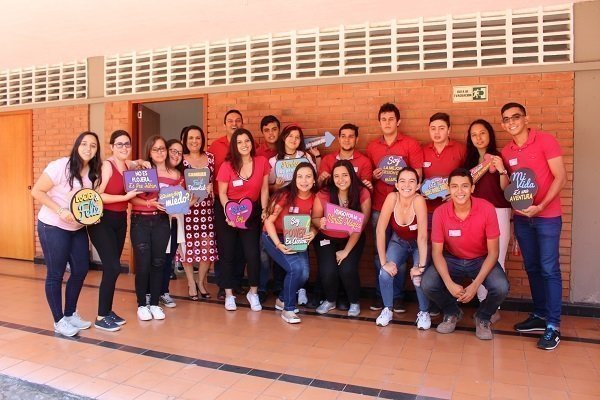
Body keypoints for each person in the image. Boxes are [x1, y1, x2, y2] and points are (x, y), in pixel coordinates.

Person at [500, 102, 567, 350]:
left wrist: (541, 206)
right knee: (532, 267)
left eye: (515, 117)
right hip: (523, 218)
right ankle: (540, 315)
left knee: (549, 268)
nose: (511, 122)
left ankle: (553, 326)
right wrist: (500, 171)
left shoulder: (545, 141)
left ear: (526, 118)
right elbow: (509, 188)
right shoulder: (507, 151)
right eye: (506, 119)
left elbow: (561, 177)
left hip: (547, 216)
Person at [421, 168, 509, 340]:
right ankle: (452, 312)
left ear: (472, 189)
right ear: (448, 189)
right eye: (454, 186)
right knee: (428, 283)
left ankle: (483, 317)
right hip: (452, 258)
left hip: (481, 258)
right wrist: (449, 283)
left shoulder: (487, 209)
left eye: (464, 186)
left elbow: (493, 253)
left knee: (501, 287)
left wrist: (476, 285)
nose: (459, 191)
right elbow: (437, 253)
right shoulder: (440, 212)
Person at [31, 131, 103, 337]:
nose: (88, 148)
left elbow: (87, 201)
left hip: (76, 228)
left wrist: (92, 216)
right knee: (56, 273)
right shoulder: (60, 166)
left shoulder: (93, 172)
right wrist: (60, 210)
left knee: (80, 270)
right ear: (77, 145)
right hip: (53, 226)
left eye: (93, 145)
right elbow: (37, 191)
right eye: (84, 144)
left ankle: (70, 314)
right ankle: (59, 320)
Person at [366, 103, 423, 312]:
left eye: (391, 119)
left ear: (398, 121)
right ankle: (382, 295)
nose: (387, 123)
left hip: (405, 209)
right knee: (379, 251)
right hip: (380, 207)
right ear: (379, 122)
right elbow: (368, 176)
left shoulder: (411, 144)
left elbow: (418, 174)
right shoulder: (372, 146)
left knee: (399, 252)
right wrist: (373, 175)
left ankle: (397, 296)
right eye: (384, 119)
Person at [87, 130, 140, 331]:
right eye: (119, 144)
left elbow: (135, 162)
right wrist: (126, 198)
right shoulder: (106, 166)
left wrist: (141, 162)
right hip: (102, 221)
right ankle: (101, 317)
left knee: (112, 268)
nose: (124, 147)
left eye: (127, 144)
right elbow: (97, 196)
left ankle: (107, 311)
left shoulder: (127, 165)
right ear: (111, 146)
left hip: (119, 220)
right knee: (113, 267)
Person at [216, 128, 270, 311]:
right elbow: (222, 193)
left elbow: (264, 189)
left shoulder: (261, 162)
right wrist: (229, 214)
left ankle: (253, 293)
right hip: (229, 212)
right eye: (239, 142)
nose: (244, 145)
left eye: (247, 140)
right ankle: (229, 294)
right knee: (228, 255)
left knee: (253, 254)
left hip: (251, 213)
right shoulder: (227, 166)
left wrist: (264, 210)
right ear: (234, 145)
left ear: (252, 143)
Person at [130, 136, 182, 321]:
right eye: (155, 149)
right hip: (140, 222)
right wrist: (149, 202)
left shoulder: (175, 175)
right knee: (143, 264)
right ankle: (141, 304)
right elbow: (131, 198)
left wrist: (198, 195)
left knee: (159, 263)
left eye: (162, 148)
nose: (160, 152)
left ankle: (154, 304)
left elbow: (180, 202)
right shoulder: (142, 170)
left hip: (162, 222)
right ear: (149, 152)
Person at [464, 119, 511, 322]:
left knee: (496, 258)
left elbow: (506, 189)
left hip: (499, 212)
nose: (478, 138)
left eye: (482, 133)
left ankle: (493, 307)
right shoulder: (468, 163)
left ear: (490, 135)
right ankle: (484, 302)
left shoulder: (500, 157)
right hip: (473, 214)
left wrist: (501, 169)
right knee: (477, 258)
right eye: (474, 135)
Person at [311, 160, 371, 317]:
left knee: (347, 269)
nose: (341, 179)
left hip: (352, 239)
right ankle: (330, 300)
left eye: (345, 175)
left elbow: (360, 227)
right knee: (328, 271)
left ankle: (354, 302)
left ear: (351, 175)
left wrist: (345, 251)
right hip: (327, 237)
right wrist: (320, 222)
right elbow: (315, 218)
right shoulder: (324, 194)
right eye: (336, 176)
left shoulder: (362, 193)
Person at [262, 162, 318, 323]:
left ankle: (282, 299)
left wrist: (313, 233)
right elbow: (268, 221)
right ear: (294, 179)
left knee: (305, 274)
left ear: (314, 180)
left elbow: (315, 222)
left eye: (308, 176)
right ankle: (288, 309)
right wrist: (278, 245)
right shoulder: (285, 195)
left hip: (297, 238)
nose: (304, 180)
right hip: (274, 236)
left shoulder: (315, 198)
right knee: (295, 268)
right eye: (300, 176)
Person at [375, 167, 430, 328]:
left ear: (418, 185)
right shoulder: (392, 197)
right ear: (397, 185)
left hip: (418, 244)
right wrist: (384, 262)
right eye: (403, 181)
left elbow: (422, 236)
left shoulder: (419, 200)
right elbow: (380, 230)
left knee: (419, 277)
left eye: (412, 181)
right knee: (384, 273)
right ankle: (387, 309)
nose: (407, 185)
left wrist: (420, 266)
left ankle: (424, 312)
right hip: (398, 241)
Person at [208, 110, 245, 299]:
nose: (234, 123)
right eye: (230, 120)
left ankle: (236, 283)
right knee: (225, 245)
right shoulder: (216, 146)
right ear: (225, 124)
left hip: (244, 205)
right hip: (221, 202)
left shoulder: (247, 144)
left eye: (238, 121)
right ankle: (223, 284)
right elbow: (208, 170)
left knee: (240, 246)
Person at [179, 126, 218, 300]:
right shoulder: (180, 159)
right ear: (185, 141)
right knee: (186, 248)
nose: (194, 141)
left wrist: (210, 188)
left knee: (207, 248)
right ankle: (190, 283)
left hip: (206, 209)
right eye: (191, 138)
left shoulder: (210, 158)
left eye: (198, 138)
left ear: (202, 140)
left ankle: (201, 282)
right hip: (187, 209)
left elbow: (214, 182)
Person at [155, 138, 185, 309]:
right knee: (156, 258)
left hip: (174, 222)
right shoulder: (150, 170)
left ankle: (164, 291)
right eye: (173, 150)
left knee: (168, 258)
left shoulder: (180, 177)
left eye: (179, 152)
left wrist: (201, 193)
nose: (176, 155)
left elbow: (186, 202)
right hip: (156, 221)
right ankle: (151, 292)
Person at [257, 115, 283, 303]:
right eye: (267, 130)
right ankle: (263, 287)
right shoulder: (257, 154)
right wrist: (275, 187)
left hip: (286, 209)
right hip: (265, 207)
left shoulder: (288, 150)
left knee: (283, 246)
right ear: (262, 133)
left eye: (274, 129)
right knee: (264, 249)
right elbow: (259, 185)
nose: (271, 133)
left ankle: (282, 286)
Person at [317, 123, 373, 190]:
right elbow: (321, 186)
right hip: (331, 198)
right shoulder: (327, 159)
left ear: (357, 140)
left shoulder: (365, 162)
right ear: (339, 139)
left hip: (355, 198)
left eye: (351, 136)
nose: (347, 140)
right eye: (343, 136)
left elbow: (365, 189)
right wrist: (321, 180)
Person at [268, 124, 319, 192]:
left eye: (297, 137)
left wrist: (318, 157)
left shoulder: (305, 156)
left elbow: (315, 175)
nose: (294, 139)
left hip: (304, 195)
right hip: (283, 197)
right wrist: (276, 186)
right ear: (284, 138)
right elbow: (268, 188)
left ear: (300, 140)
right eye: (290, 136)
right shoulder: (274, 161)